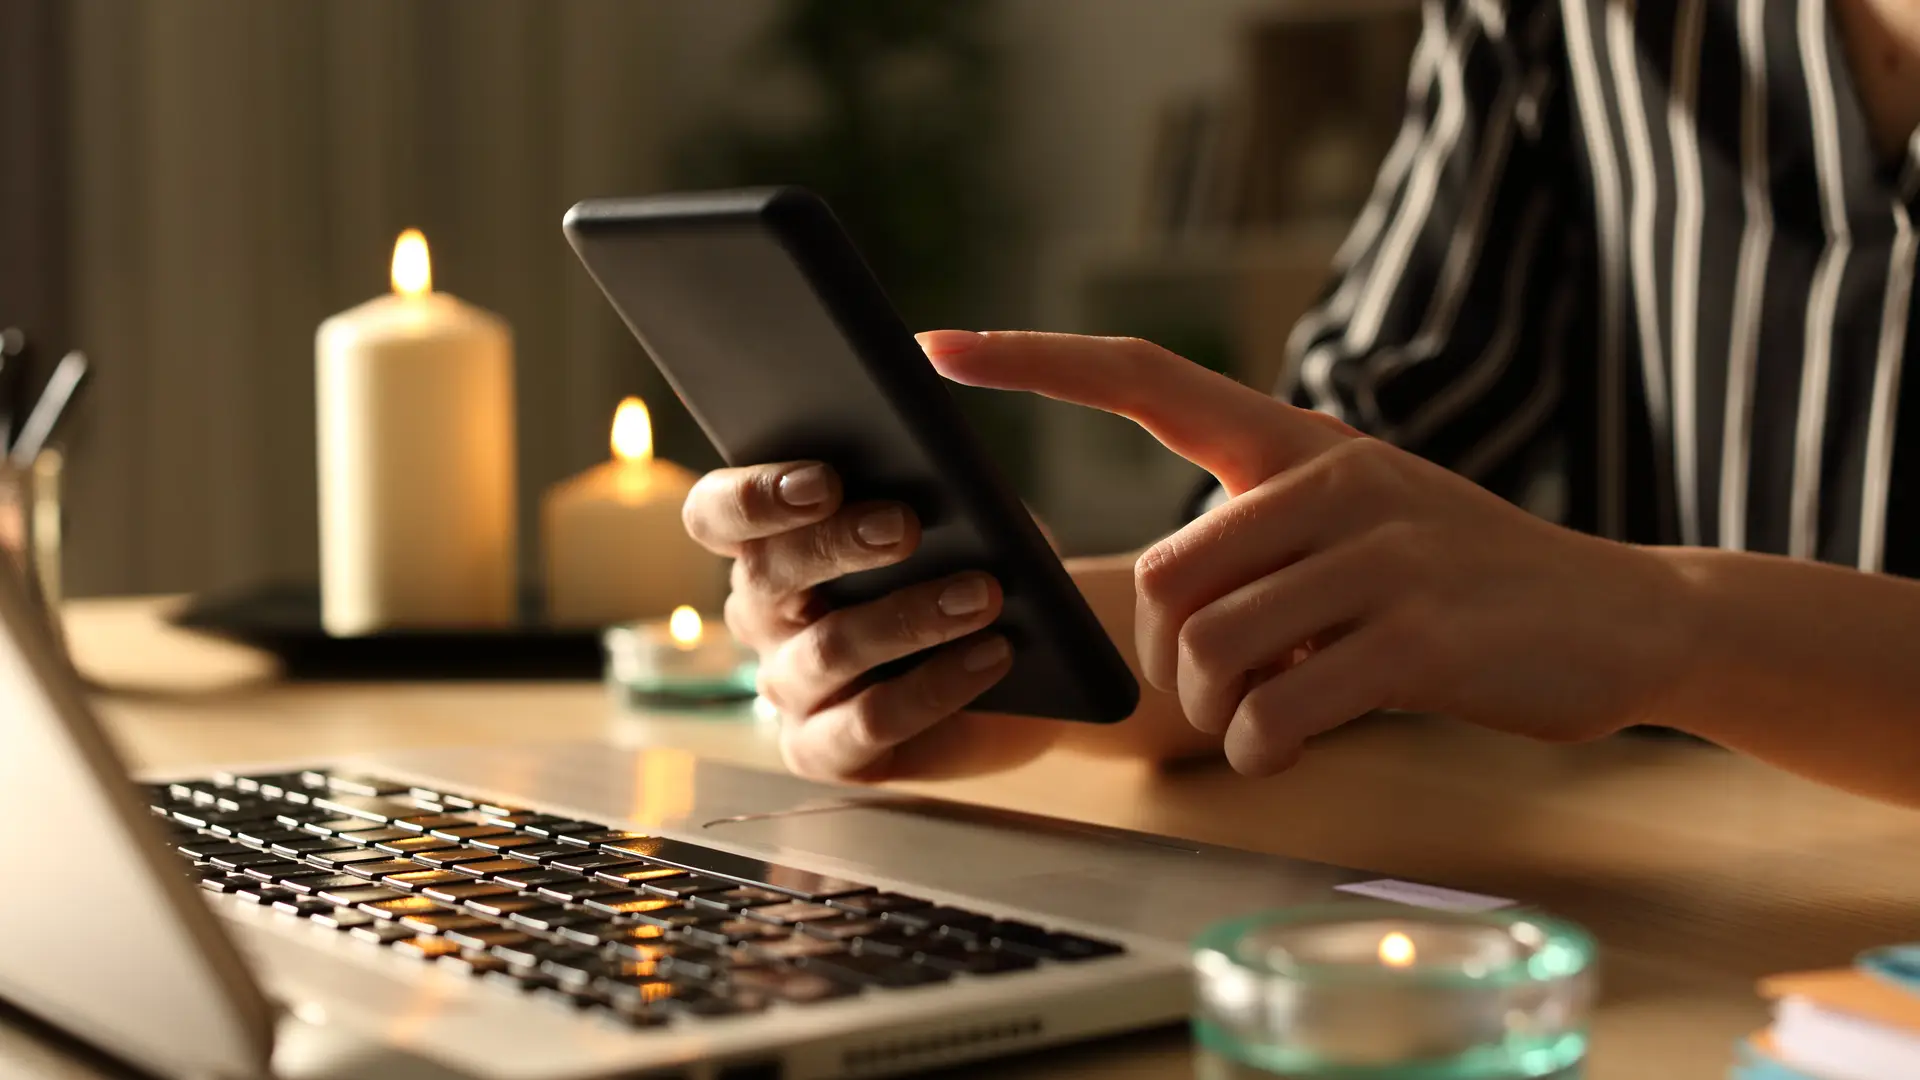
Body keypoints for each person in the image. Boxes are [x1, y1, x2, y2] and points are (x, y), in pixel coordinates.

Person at [682, 0, 1920, 808]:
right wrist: (1005, 647)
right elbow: (1336, 521)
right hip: (1694, 924)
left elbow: (1587, 608)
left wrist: (1664, 621)